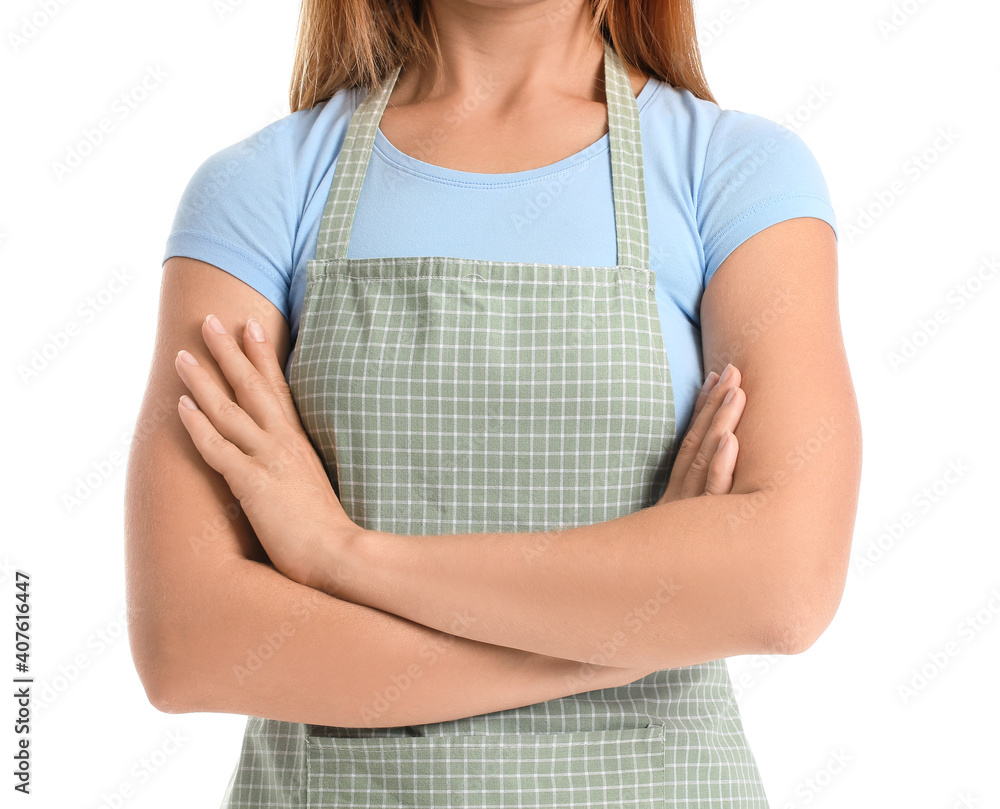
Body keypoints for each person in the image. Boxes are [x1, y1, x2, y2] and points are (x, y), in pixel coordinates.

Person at [124, 0, 862, 806]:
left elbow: (785, 583)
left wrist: (339, 552)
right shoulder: (261, 186)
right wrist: (623, 642)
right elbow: (186, 639)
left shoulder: (735, 171)